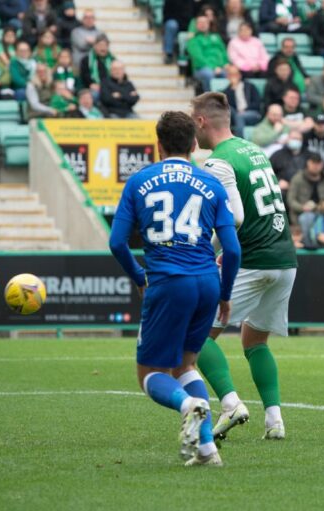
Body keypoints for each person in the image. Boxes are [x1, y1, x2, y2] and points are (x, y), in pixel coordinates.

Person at [108, 111, 241, 466]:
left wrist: (140, 278)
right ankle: (207, 448)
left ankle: (187, 404)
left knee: (149, 373)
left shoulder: (139, 181)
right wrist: (225, 294)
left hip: (168, 282)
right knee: (186, 364)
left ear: (159, 145)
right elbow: (233, 248)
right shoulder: (210, 183)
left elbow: (117, 243)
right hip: (206, 283)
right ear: (194, 144)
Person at [189, 92, 298, 442]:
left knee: (195, 335)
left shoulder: (218, 162)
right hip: (285, 258)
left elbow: (233, 217)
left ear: (202, 122)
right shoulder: (254, 149)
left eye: (194, 123)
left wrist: (213, 249)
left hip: (255, 257)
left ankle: (231, 403)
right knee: (254, 340)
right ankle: (274, 420)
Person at [288, 153, 324, 224]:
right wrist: (302, 207)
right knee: (307, 218)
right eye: (313, 163)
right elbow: (291, 200)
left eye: (318, 163)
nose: (315, 166)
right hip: (302, 214)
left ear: (322, 164)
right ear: (308, 163)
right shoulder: (297, 179)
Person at [187, 15, 229, 93]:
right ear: (196, 25)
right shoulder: (193, 40)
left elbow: (223, 51)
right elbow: (199, 58)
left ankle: (225, 100)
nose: (203, 24)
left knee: (231, 73)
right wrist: (213, 67)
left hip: (219, 67)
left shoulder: (216, 36)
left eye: (205, 22)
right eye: (200, 23)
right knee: (209, 74)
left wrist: (226, 63)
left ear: (209, 24)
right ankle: (209, 98)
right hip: (201, 68)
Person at [222, 66, 261, 138]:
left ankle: (240, 140)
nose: (233, 76)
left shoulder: (250, 86)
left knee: (239, 116)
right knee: (233, 113)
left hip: (252, 114)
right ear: (228, 77)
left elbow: (257, 103)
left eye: (235, 74)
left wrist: (244, 110)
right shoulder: (226, 91)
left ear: (240, 75)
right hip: (235, 115)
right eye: (231, 74)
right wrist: (233, 89)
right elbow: (228, 108)